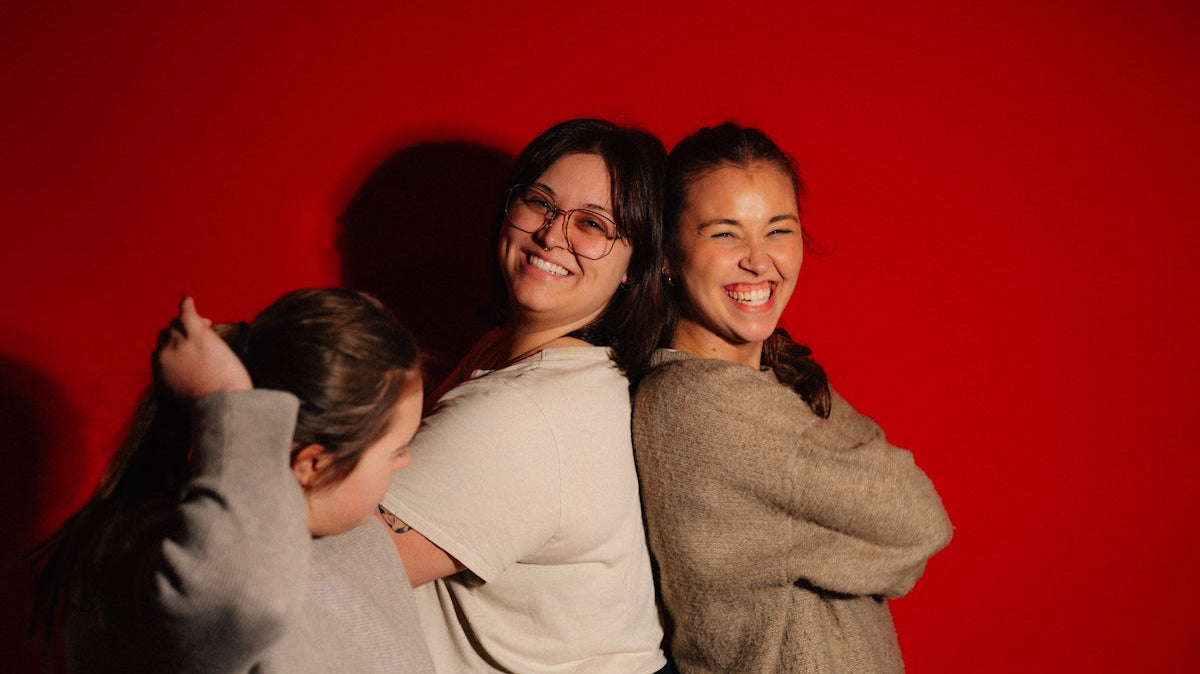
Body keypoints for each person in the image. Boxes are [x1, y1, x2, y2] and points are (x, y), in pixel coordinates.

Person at [631, 123, 953, 673]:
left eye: (778, 230)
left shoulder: (771, 379)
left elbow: (905, 517)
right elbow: (919, 518)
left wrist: (818, 545)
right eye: (725, 233)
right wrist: (856, 546)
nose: (760, 261)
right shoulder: (701, 402)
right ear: (667, 256)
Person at [375, 118, 672, 673]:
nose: (553, 235)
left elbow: (319, 568)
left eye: (592, 224)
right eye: (540, 203)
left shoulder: (523, 413)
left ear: (636, 265)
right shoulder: (521, 354)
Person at [32, 289, 435, 673]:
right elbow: (243, 598)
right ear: (312, 463)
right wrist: (226, 398)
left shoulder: (356, 537)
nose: (406, 461)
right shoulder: (155, 555)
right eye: (396, 449)